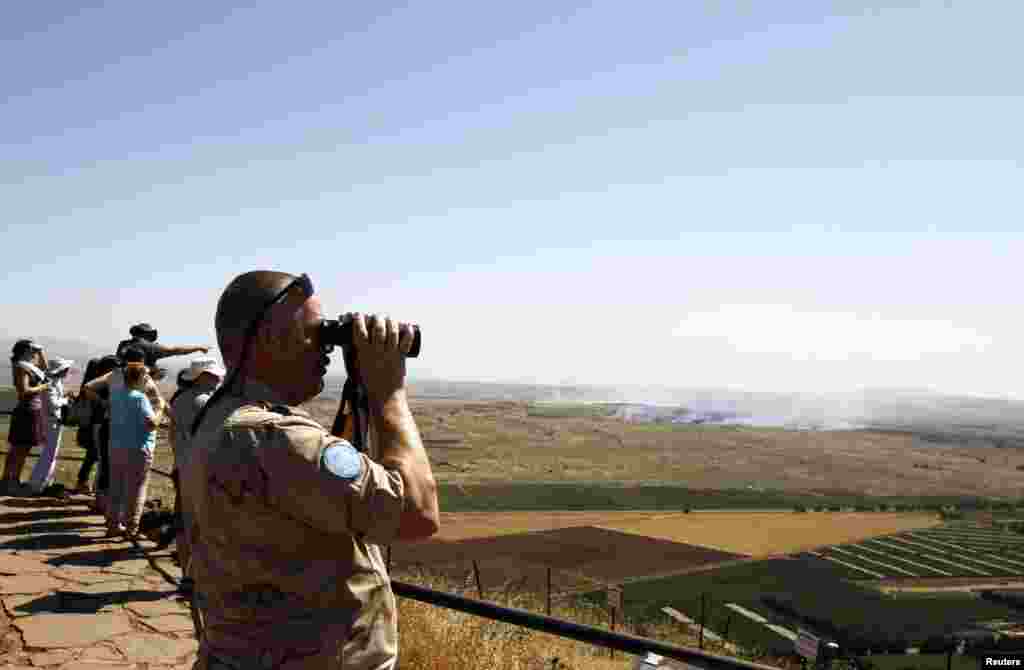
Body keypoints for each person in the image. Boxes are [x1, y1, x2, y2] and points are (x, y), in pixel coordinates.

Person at [180, 271, 439, 669]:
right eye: (317, 333)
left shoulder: (218, 419)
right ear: (268, 338)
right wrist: (389, 391)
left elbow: (324, 486)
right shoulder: (271, 436)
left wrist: (359, 386)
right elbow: (416, 512)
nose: (327, 349)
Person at [160, 356, 225, 587]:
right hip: (199, 471)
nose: (219, 378)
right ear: (203, 377)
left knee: (185, 522)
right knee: (200, 524)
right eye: (215, 375)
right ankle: (197, 576)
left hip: (183, 466)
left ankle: (189, 575)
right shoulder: (204, 403)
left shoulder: (180, 399)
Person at [89, 349, 163, 538]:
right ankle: (132, 527)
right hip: (139, 446)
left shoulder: (115, 391)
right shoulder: (141, 396)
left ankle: (113, 523)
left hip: (116, 443)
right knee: (137, 488)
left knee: (116, 485)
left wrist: (104, 404)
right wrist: (161, 409)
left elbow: (89, 387)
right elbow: (152, 423)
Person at [3, 340, 50, 494]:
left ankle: (10, 480)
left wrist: (41, 350)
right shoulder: (21, 367)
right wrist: (44, 387)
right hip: (27, 411)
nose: (35, 353)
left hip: (30, 410)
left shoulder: (27, 366)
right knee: (19, 449)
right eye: (33, 350)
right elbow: (24, 390)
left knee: (20, 449)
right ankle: (11, 481)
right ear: (26, 351)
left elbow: (46, 369)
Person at [27, 357, 74, 494]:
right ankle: (38, 483)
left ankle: (42, 482)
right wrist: (65, 400)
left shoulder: (53, 381)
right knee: (49, 454)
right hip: (52, 421)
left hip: (51, 420)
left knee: (49, 453)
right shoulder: (51, 383)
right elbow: (53, 404)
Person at [116, 323, 209, 374]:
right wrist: (198, 348)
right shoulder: (150, 347)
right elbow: (177, 351)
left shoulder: (123, 344)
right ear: (146, 334)